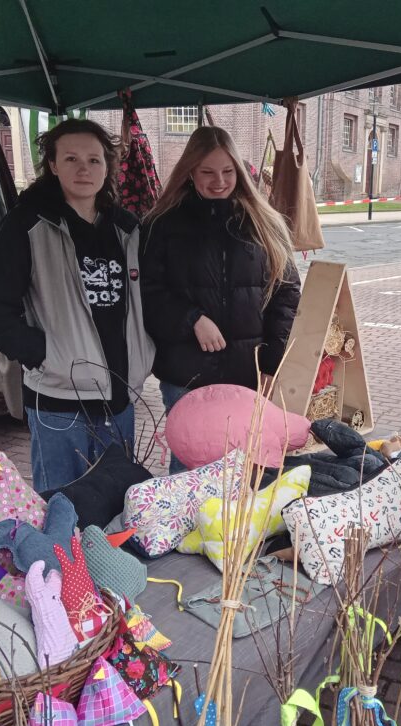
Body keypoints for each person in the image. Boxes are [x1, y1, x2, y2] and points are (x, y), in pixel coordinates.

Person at [0, 119, 155, 493]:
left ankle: (104, 557)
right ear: (53, 165)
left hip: (118, 398)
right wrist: (43, 353)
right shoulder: (28, 225)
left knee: (115, 503)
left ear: (108, 166)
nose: (83, 169)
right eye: (71, 158)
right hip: (59, 402)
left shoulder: (127, 229)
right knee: (61, 504)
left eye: (94, 159)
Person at [141, 126, 301, 472]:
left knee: (244, 469)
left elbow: (286, 294)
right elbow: (148, 293)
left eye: (228, 171)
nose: (219, 181)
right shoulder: (161, 225)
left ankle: (235, 531)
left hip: (248, 372)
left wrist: (273, 360)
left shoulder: (264, 222)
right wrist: (192, 319)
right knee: (189, 468)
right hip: (186, 375)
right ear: (190, 173)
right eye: (207, 172)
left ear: (239, 172)